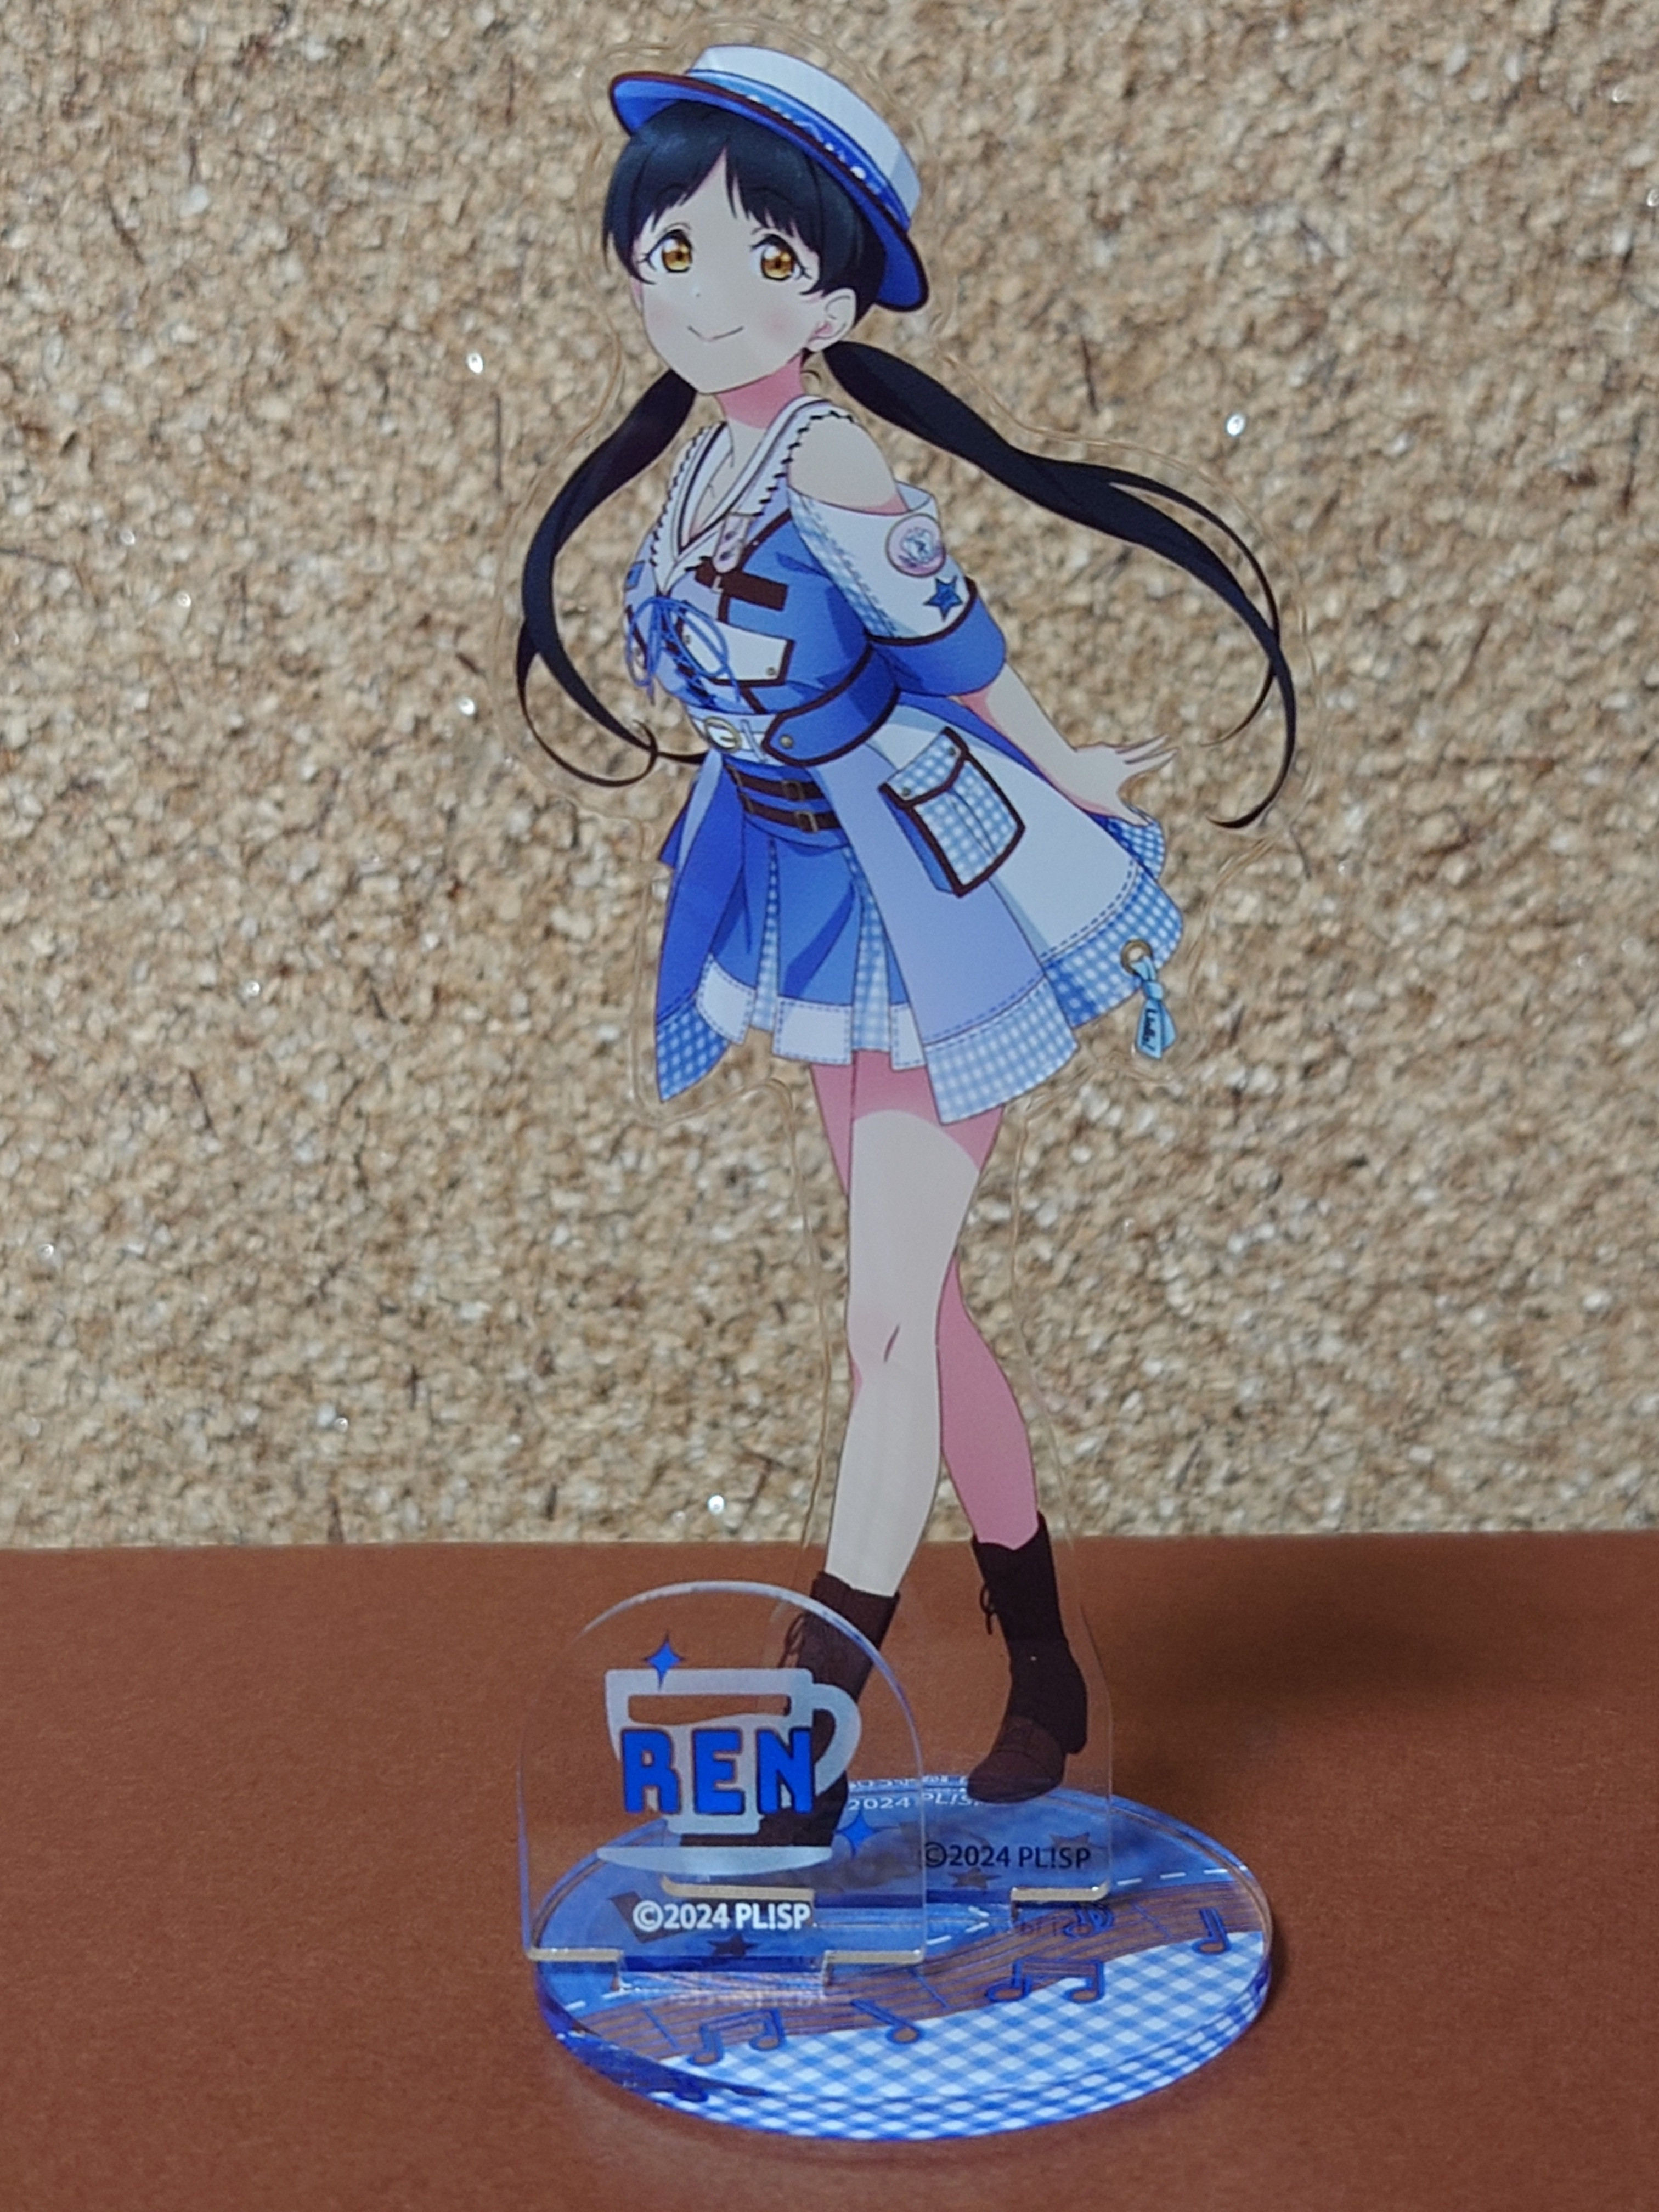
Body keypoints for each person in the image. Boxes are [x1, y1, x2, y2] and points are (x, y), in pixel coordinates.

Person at [517, 47, 1295, 1816]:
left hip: (930, 893)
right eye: (672, 252)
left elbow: (952, 642)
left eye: (765, 260)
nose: (704, 294)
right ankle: (1047, 1672)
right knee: (921, 1322)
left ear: (836, 295)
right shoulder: (712, 461)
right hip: (807, 888)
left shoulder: (834, 460)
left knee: (884, 1329)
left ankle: (808, 1730)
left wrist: (1068, 761)